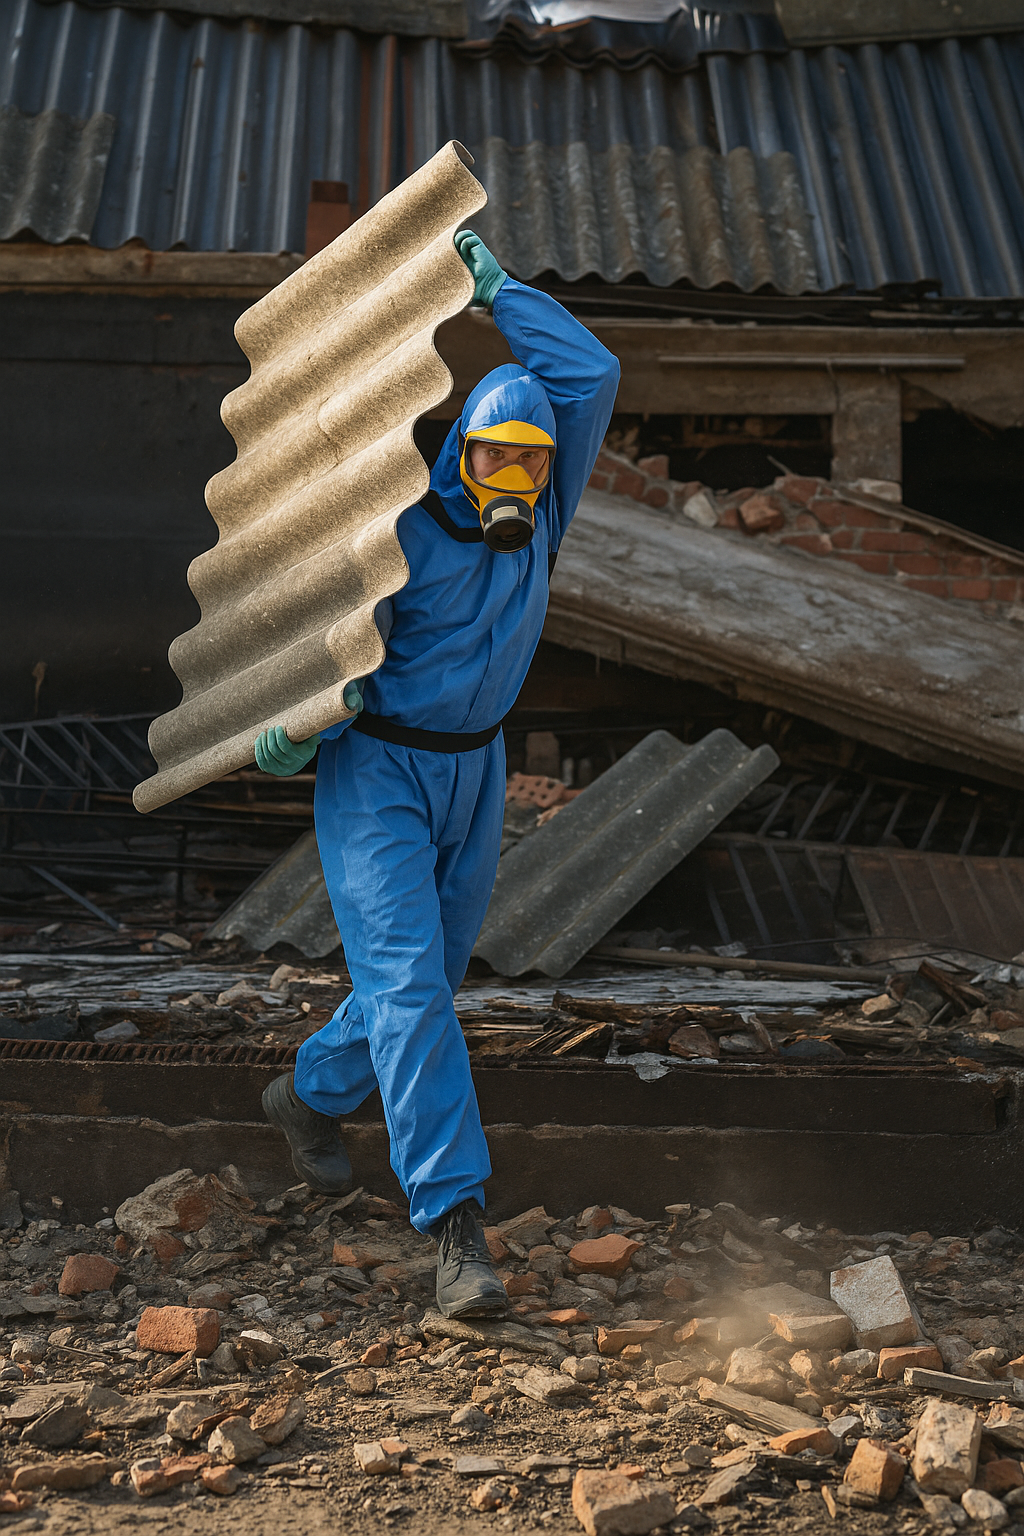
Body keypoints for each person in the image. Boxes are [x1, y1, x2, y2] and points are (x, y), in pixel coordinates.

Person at [256, 231, 619, 1318]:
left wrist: (503, 296)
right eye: (494, 459)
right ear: (460, 448)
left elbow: (588, 375)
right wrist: (292, 729)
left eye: (531, 464)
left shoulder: (542, 521)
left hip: (476, 772)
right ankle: (456, 1230)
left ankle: (306, 1096)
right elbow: (309, 637)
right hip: (378, 773)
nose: (513, 482)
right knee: (413, 991)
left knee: (421, 983)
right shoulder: (397, 528)